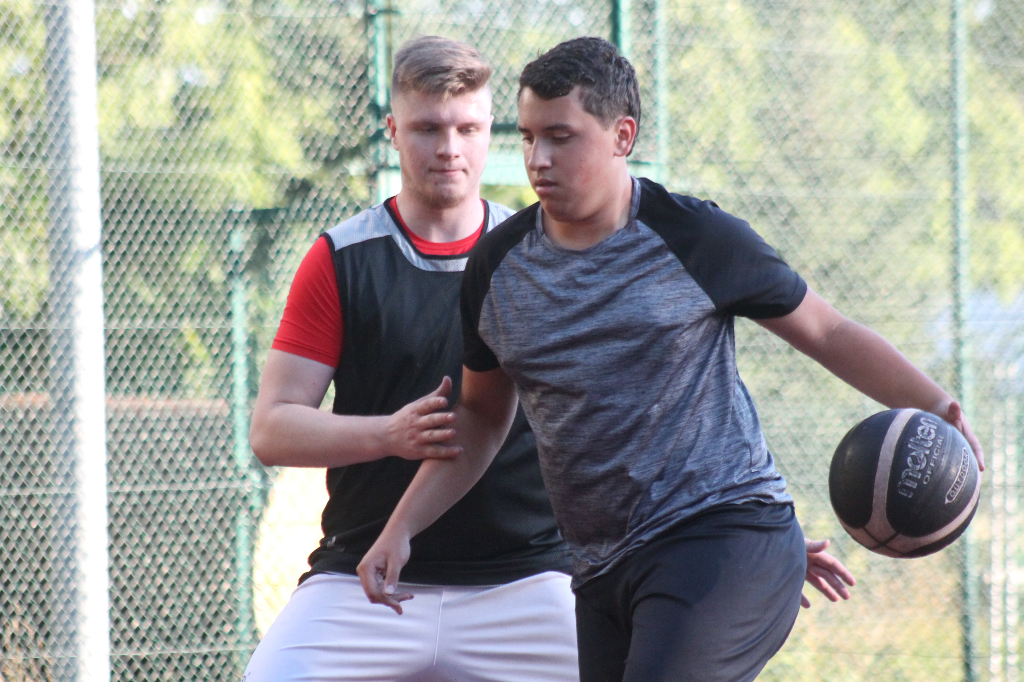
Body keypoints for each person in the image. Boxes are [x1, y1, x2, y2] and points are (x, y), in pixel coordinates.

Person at [356, 37, 980, 682]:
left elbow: (826, 331)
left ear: (622, 135)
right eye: (529, 137)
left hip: (722, 536)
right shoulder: (497, 268)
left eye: (562, 137)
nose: (538, 159)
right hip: (601, 572)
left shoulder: (695, 237)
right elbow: (483, 419)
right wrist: (402, 528)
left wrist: (936, 405)